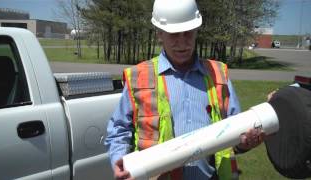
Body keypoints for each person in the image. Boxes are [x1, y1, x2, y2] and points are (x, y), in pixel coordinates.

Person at [105, 0, 265, 179]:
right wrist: (119, 159)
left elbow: (236, 131)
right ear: (159, 33)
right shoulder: (139, 76)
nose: (182, 43)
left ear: (197, 31)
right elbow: (119, 129)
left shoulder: (219, 75)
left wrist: (244, 143)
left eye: (188, 33)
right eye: (173, 34)